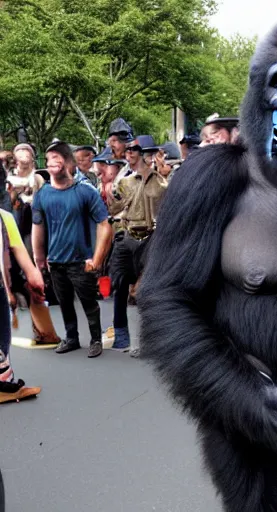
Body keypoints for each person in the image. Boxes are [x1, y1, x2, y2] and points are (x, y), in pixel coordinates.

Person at [31, 141, 112, 358]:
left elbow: (104, 224)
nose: (50, 163)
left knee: (88, 302)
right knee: (64, 302)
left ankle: (96, 339)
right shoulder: (43, 194)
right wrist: (38, 258)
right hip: (55, 260)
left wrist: (97, 258)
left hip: (80, 259)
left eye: (56, 159)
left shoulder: (84, 192)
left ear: (68, 162)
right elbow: (37, 226)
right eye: (48, 160)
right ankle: (72, 338)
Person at [103, 136, 168, 355]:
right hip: (126, 237)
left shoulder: (160, 182)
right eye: (128, 150)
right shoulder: (124, 180)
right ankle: (121, 337)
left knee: (145, 291)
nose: (129, 153)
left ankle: (147, 340)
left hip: (150, 239)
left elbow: (162, 205)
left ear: (144, 154)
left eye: (134, 150)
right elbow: (113, 210)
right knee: (119, 285)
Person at [0, 207, 43, 404]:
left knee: (3, 334)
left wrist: (33, 274)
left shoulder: (4, 217)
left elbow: (17, 248)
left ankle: (4, 384)